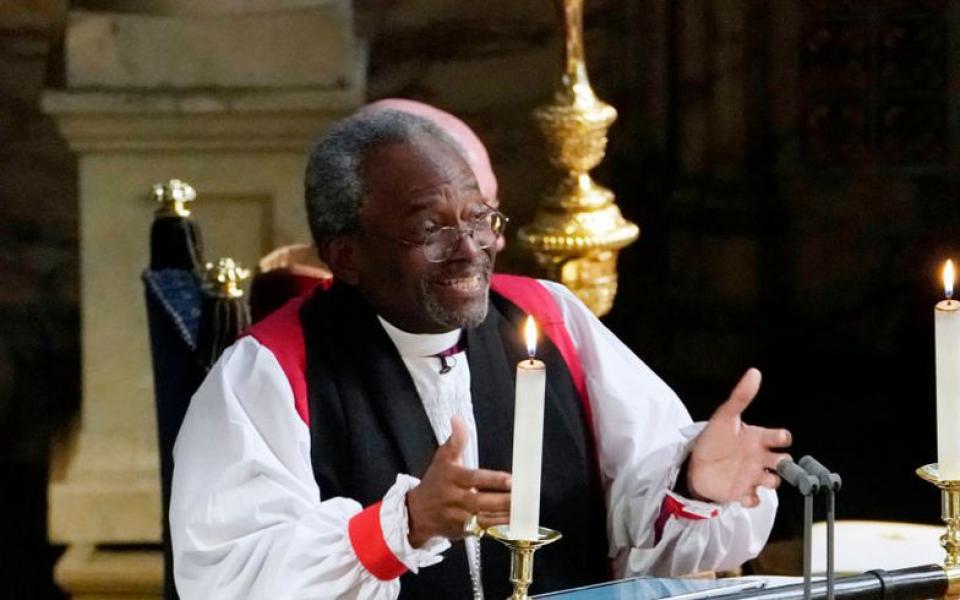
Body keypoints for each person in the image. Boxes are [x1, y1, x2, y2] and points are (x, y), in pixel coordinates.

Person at [170, 105, 792, 599]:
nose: (470, 248)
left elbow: (644, 531)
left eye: (479, 218)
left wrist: (695, 487)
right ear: (345, 255)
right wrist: (401, 526)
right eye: (429, 228)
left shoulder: (550, 318)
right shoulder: (269, 372)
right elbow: (230, 575)